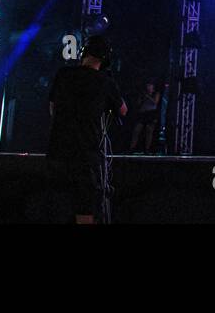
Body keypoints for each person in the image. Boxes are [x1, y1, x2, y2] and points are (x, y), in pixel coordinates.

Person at [46, 36, 126, 223]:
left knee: (57, 207)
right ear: (105, 59)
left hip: (57, 151)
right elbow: (122, 110)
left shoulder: (63, 74)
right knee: (84, 209)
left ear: (84, 53)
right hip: (84, 155)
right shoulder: (105, 80)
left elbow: (52, 108)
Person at [129, 82, 161, 154]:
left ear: (153, 86)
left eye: (150, 85)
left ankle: (147, 149)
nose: (148, 87)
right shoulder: (143, 94)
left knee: (149, 131)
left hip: (151, 113)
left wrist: (148, 96)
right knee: (136, 130)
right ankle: (132, 148)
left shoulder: (156, 93)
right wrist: (142, 98)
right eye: (147, 85)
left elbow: (155, 102)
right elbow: (138, 103)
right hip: (143, 113)